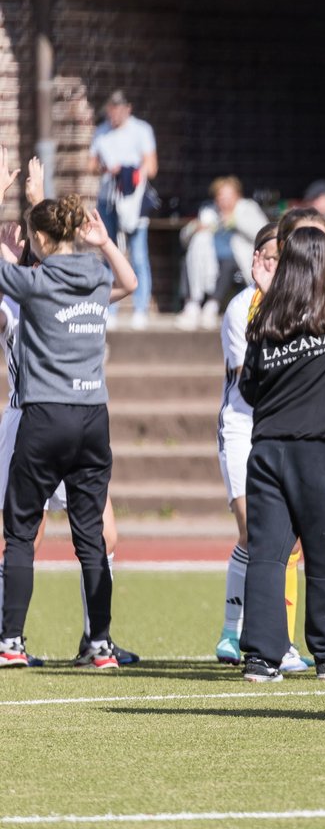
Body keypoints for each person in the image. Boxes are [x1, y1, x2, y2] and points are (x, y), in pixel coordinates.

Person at [0, 160, 139, 669]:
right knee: (91, 537)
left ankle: (10, 642)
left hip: (45, 417)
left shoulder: (34, 285)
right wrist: (103, 242)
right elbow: (131, 281)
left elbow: (16, 271)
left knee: (19, 532)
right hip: (92, 418)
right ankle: (99, 645)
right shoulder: (96, 276)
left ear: (37, 240)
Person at [237, 227, 325, 682]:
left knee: (267, 556)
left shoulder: (267, 318)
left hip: (267, 451)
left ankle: (261, 659)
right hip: (317, 452)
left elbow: (248, 388)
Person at [211, 222, 312, 675]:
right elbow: (254, 377)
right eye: (268, 259)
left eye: (282, 260)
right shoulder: (241, 308)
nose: (275, 268)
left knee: (277, 540)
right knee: (257, 532)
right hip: (242, 427)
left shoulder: (304, 304)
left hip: (281, 429)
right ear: (255, 261)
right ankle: (243, 633)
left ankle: (251, 632)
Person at [89, 90, 156, 331]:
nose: (114, 114)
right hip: (108, 200)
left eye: (118, 108)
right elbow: (91, 163)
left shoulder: (141, 130)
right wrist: (107, 168)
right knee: (108, 253)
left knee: (138, 254)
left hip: (132, 201)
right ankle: (110, 308)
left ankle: (141, 308)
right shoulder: (102, 131)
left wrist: (129, 173)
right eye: (110, 109)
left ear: (128, 108)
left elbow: (152, 166)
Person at [176, 176, 269, 331]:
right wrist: (195, 228)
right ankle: (192, 304)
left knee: (228, 262)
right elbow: (184, 238)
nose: (224, 201)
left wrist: (236, 221)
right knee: (189, 259)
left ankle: (212, 305)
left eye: (228, 196)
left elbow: (263, 233)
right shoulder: (208, 211)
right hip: (208, 256)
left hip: (239, 257)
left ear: (237, 196)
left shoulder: (247, 208)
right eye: (220, 197)